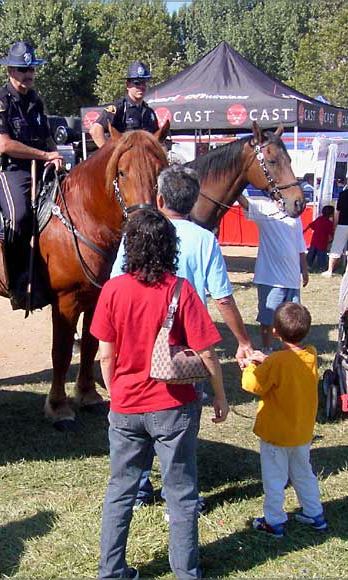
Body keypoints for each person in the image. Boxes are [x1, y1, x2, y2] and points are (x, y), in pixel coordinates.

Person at [91, 210, 228, 580]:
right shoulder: (180, 290)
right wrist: (220, 395)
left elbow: (106, 353)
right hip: (174, 406)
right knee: (181, 491)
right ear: (170, 247)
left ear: (130, 247)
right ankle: (186, 572)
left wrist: (114, 393)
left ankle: (111, 571)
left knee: (120, 490)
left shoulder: (113, 290)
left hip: (126, 406)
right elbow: (208, 354)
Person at [111, 164, 254, 509]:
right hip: (188, 345)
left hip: (139, 336)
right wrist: (243, 341)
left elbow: (117, 282)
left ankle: (141, 486)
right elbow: (222, 297)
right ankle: (178, 485)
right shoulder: (205, 240)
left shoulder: (136, 234)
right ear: (193, 202)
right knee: (183, 415)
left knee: (139, 410)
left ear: (159, 198)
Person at [0, 41, 64, 310]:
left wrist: (56, 154)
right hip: (11, 171)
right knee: (18, 218)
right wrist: (43, 156)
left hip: (43, 168)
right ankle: (19, 282)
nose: (27, 74)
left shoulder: (36, 101)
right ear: (9, 70)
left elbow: (48, 137)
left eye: (30, 69)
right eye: (21, 69)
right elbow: (4, 144)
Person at [242, 302, 326, 538]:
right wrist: (267, 359)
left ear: (275, 332)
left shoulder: (277, 362)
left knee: (274, 479)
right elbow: (286, 363)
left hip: (276, 434)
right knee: (303, 472)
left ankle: (273, 520)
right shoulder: (311, 354)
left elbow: (253, 385)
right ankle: (314, 512)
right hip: (301, 432)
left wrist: (250, 366)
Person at [235, 190, 308, 350]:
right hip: (270, 279)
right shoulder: (264, 209)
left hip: (291, 278)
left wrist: (304, 269)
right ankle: (267, 349)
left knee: (292, 319)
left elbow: (300, 244)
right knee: (268, 320)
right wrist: (237, 188)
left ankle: (289, 350)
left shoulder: (294, 214)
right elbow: (245, 202)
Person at [90, 61, 159, 148]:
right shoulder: (118, 108)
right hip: (123, 159)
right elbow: (95, 131)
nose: (141, 87)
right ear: (127, 85)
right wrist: (110, 155)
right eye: (137, 83)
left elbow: (158, 139)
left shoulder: (149, 113)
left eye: (144, 82)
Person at [303, 205, 334, 272]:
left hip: (314, 241)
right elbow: (332, 233)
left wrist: (304, 231)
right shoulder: (329, 223)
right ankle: (321, 268)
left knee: (311, 255)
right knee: (322, 256)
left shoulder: (319, 219)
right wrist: (332, 239)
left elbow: (310, 225)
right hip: (323, 242)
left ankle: (307, 266)